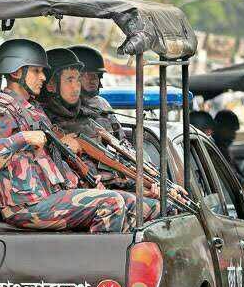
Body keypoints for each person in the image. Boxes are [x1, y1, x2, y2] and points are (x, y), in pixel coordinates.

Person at [0, 39, 131, 232]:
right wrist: (22, 138)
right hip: (26, 206)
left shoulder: (32, 109)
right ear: (15, 72)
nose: (43, 77)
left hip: (50, 196)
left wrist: (86, 183)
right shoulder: (0, 108)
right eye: (36, 71)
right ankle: (97, 261)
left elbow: (54, 161)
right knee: (111, 203)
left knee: (131, 202)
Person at [40, 48, 170, 221]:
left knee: (168, 206)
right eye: (70, 79)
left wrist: (145, 185)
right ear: (51, 84)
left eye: (78, 79)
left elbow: (121, 156)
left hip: (109, 192)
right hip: (80, 201)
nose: (76, 86)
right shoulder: (42, 119)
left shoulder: (91, 115)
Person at [69, 45, 127, 141]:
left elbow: (122, 140)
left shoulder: (102, 104)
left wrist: (111, 140)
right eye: (86, 75)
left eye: (95, 75)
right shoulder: (61, 109)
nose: (92, 80)